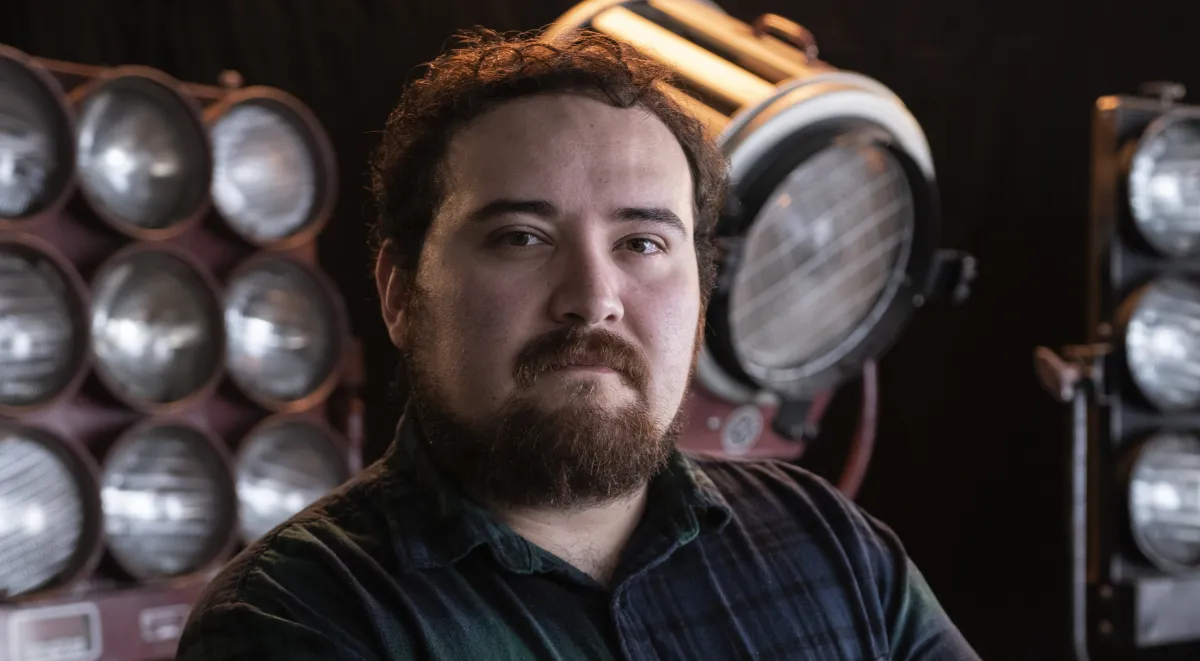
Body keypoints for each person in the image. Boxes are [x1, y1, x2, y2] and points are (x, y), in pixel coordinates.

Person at [176, 27, 980, 661]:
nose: (593, 299)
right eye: (522, 238)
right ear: (399, 293)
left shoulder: (826, 542)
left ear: (700, 297)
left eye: (642, 244)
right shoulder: (302, 613)